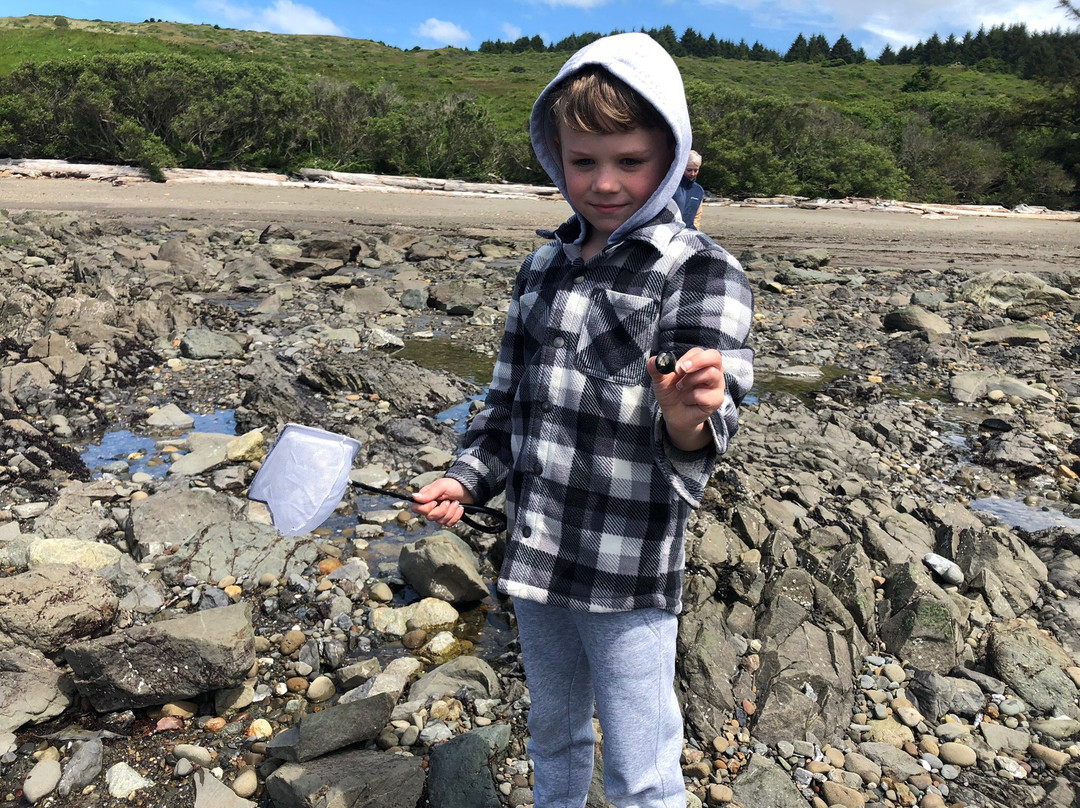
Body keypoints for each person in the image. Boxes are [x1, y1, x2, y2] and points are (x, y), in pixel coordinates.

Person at [412, 31, 754, 808]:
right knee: (553, 733)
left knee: (643, 768)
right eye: (583, 161)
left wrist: (686, 411)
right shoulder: (541, 265)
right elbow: (505, 404)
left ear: (670, 157)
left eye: (629, 161)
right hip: (535, 559)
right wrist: (465, 481)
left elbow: (703, 434)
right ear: (553, 156)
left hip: (627, 569)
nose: (604, 184)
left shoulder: (701, 270)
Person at [674, 149, 705, 230]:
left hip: (689, 232)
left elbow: (697, 217)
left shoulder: (699, 190)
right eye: (689, 170)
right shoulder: (672, 187)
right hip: (670, 232)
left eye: (696, 170)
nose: (692, 174)